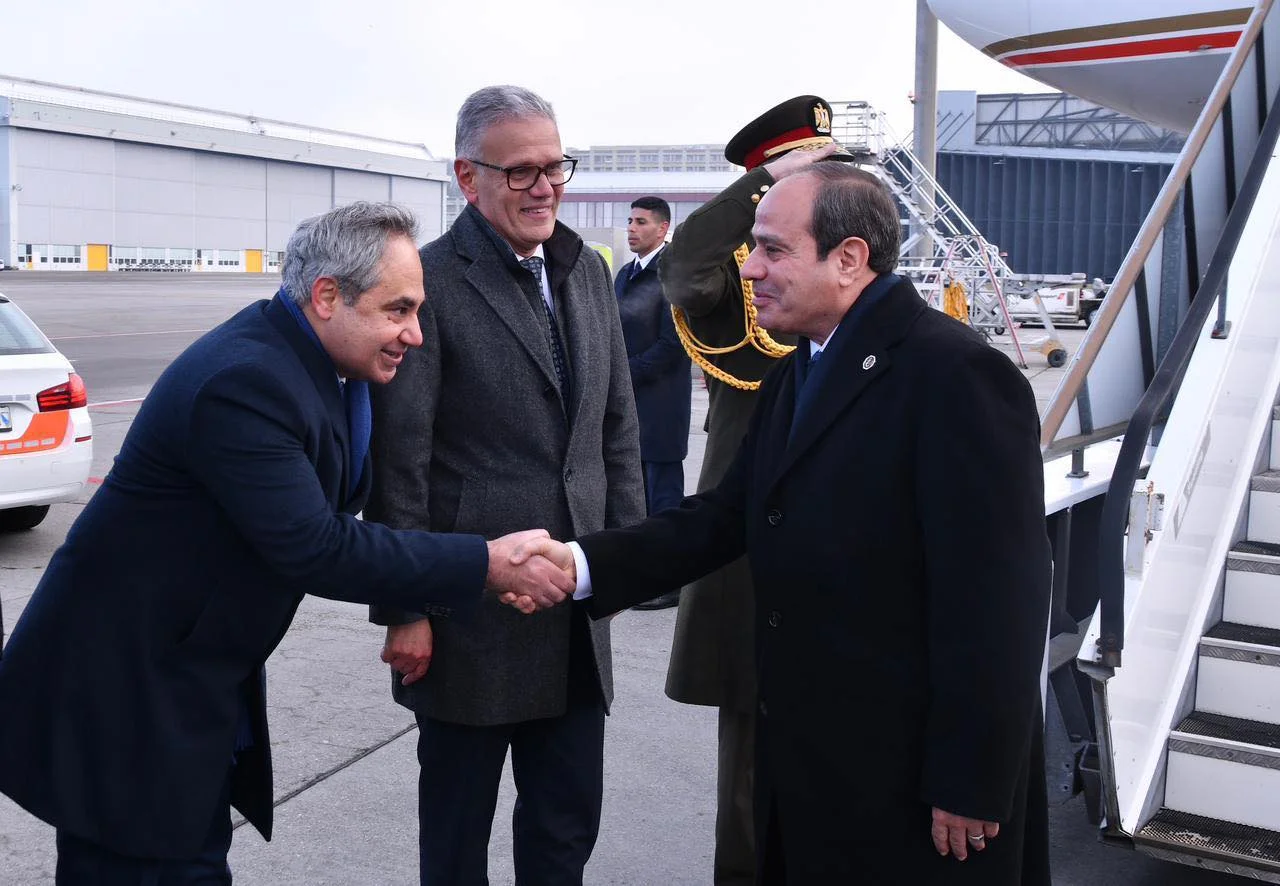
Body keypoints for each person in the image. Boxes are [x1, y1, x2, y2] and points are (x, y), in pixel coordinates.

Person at [0, 201, 572, 885]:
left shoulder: (320, 367)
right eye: (397, 310)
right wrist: (485, 562)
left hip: (188, 680)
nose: (415, 334)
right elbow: (315, 546)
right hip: (123, 699)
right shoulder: (245, 381)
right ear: (327, 297)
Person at [519, 163, 1053, 884]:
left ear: (849, 258)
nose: (751, 270)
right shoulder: (803, 368)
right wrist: (580, 565)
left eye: (772, 249)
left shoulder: (954, 376)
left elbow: (999, 600)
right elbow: (725, 516)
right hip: (812, 759)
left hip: (908, 780)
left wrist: (973, 778)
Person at [364, 86, 644, 886]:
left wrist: (624, 559)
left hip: (573, 606)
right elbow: (401, 457)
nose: (545, 187)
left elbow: (615, 426)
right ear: (468, 176)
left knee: (564, 830)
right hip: (469, 617)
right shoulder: (430, 280)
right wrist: (407, 607)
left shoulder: (586, 271)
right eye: (521, 171)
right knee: (456, 840)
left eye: (555, 167)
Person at [658, 94, 853, 883]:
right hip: (753, 531)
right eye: (809, 167)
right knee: (751, 764)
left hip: (838, 541)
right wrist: (762, 187)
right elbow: (683, 273)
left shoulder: (836, 265)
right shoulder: (741, 271)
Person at [613, 195, 691, 610]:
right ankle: (646, 575)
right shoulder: (626, 274)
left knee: (664, 499)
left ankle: (671, 580)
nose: (631, 228)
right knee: (635, 496)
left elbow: (672, 345)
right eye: (630, 220)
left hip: (660, 406)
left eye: (641, 222)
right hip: (629, 407)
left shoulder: (672, 274)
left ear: (663, 229)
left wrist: (621, 373)